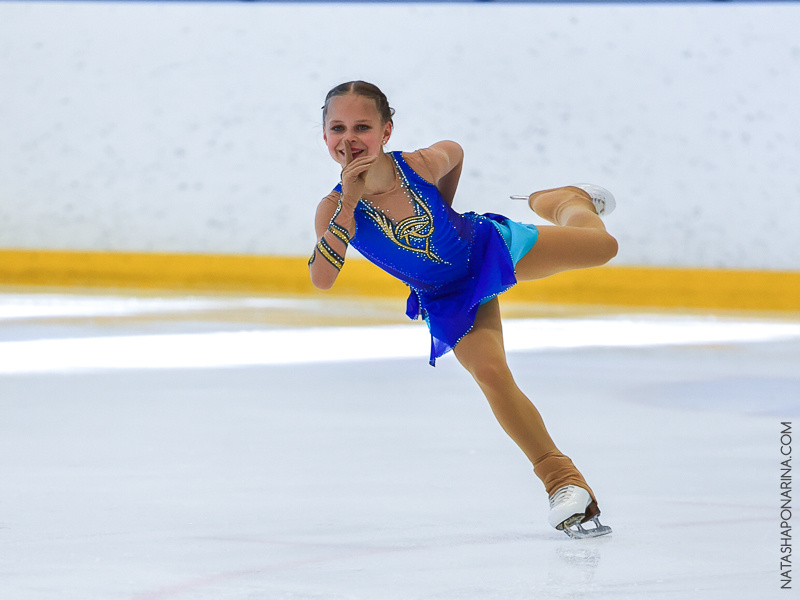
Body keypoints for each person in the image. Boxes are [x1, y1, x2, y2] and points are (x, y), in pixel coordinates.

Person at [308, 81, 618, 538]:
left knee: (602, 246)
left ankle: (564, 200)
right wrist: (351, 201)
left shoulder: (417, 165)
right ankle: (562, 481)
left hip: (486, 249)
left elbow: (453, 151)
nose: (349, 139)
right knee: (491, 373)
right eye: (337, 128)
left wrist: (445, 205)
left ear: (386, 131)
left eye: (362, 127)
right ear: (324, 136)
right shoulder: (334, 209)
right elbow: (322, 278)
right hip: (446, 295)